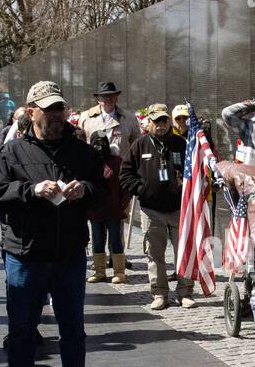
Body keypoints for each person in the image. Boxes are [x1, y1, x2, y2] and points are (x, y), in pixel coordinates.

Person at [0, 80, 101, 367]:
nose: (56, 115)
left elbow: (104, 188)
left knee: (73, 329)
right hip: (25, 257)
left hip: (69, 256)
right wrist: (29, 190)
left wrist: (84, 190)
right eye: (48, 109)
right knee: (21, 332)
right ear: (31, 111)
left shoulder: (81, 151)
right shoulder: (11, 152)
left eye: (59, 108)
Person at [120, 103, 193, 310]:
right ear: (149, 122)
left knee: (183, 254)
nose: (160, 125)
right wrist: (141, 189)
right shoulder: (140, 145)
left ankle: (185, 292)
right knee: (154, 255)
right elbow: (125, 174)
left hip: (179, 209)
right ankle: (160, 294)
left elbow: (193, 170)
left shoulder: (181, 143)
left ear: (168, 122)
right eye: (156, 121)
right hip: (151, 210)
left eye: (164, 121)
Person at [85, 117, 130, 284]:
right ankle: (99, 271)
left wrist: (123, 205)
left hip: (114, 209)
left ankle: (119, 271)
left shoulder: (117, 162)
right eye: (96, 142)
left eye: (102, 142)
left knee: (115, 240)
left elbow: (125, 185)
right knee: (97, 240)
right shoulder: (88, 162)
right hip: (95, 210)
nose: (99, 146)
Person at [78, 81, 139, 154]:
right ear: (98, 99)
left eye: (112, 95)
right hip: (94, 163)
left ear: (116, 98)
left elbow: (137, 146)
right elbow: (80, 144)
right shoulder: (85, 117)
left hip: (121, 163)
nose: (108, 99)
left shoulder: (130, 118)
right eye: (104, 96)